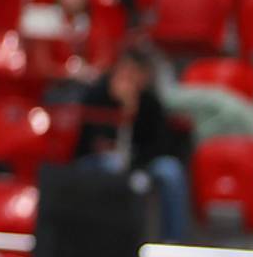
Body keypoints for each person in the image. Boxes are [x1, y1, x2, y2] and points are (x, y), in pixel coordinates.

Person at [78, 47, 190, 242]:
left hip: (142, 162)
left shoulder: (150, 102)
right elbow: (87, 141)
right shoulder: (97, 96)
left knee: (170, 170)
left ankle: (173, 241)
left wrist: (132, 112)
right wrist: (119, 110)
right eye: (124, 71)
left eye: (134, 73)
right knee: (110, 165)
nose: (127, 78)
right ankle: (106, 240)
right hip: (100, 162)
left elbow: (160, 145)